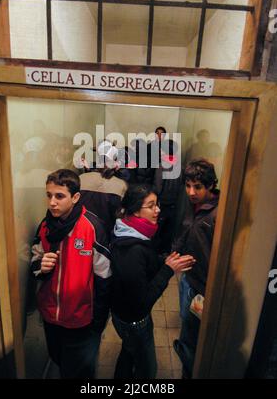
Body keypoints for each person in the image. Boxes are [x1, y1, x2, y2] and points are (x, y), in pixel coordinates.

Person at [30, 169, 111, 379]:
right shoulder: (45, 226)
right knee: (58, 359)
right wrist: (41, 266)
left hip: (81, 319)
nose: (52, 202)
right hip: (50, 315)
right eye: (49, 195)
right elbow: (34, 262)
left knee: (78, 371)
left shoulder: (92, 227)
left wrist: (98, 321)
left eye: (59, 196)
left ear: (75, 197)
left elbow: (105, 278)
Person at [110, 184, 195, 379]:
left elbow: (145, 262)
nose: (158, 210)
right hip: (134, 320)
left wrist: (164, 262)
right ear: (135, 210)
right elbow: (143, 302)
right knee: (147, 369)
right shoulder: (132, 250)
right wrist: (168, 270)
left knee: (129, 352)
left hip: (122, 313)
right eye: (151, 205)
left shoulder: (128, 230)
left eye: (157, 204)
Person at [172, 159, 220, 378]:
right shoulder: (195, 206)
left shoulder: (218, 214)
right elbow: (186, 229)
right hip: (188, 278)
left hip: (203, 287)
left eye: (198, 187)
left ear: (210, 186)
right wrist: (175, 251)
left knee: (194, 334)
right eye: (188, 185)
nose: (191, 192)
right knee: (186, 322)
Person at [79, 140, 127, 235]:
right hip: (106, 232)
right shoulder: (121, 185)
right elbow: (120, 216)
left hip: (82, 229)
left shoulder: (81, 178)